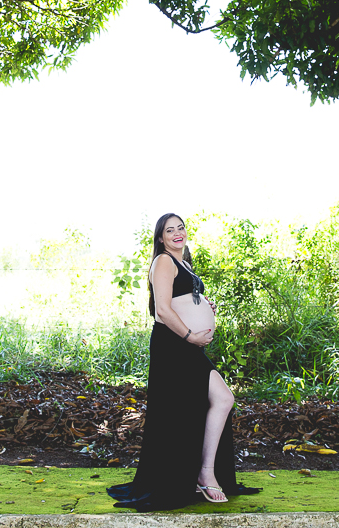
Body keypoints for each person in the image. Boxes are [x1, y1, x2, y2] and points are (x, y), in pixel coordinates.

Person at [107, 213, 260, 511]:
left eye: (180, 228)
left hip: (186, 346)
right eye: (169, 230)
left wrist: (203, 304)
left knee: (203, 405)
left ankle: (197, 473)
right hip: (174, 346)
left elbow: (180, 299)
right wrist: (190, 335)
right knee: (219, 399)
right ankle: (203, 473)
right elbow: (162, 310)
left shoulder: (184, 263)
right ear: (161, 238)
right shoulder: (163, 260)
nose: (177, 233)